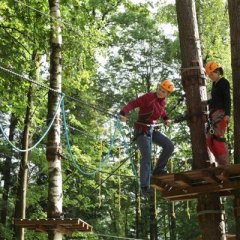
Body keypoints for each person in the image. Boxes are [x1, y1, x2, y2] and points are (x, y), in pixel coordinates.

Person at [119, 80, 175, 194]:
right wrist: (123, 113)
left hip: (152, 129)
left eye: (163, 91)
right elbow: (133, 103)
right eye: (159, 89)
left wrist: (166, 118)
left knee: (169, 146)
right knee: (147, 156)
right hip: (141, 130)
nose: (160, 92)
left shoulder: (163, 102)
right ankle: (144, 185)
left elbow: (162, 112)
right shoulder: (149, 97)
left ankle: (158, 170)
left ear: (167, 94)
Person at [205, 61, 231, 166]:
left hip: (221, 113)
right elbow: (215, 99)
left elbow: (227, 99)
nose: (210, 76)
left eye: (212, 74)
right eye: (209, 75)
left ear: (218, 71)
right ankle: (218, 162)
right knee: (209, 139)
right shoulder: (214, 84)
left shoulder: (224, 82)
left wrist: (227, 114)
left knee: (218, 138)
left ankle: (224, 165)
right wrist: (206, 102)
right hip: (212, 114)